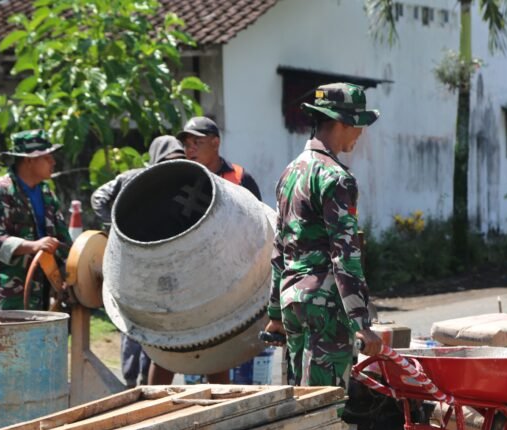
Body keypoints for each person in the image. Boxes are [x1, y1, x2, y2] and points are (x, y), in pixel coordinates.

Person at [263, 83, 383, 388]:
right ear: (342, 123)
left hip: (292, 301)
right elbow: (345, 253)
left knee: (301, 400)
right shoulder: (337, 178)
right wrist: (361, 322)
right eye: (359, 124)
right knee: (325, 403)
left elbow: (279, 247)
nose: (360, 133)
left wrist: (275, 313)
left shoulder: (290, 173)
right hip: (325, 306)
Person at [146, 116, 263, 385]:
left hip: (225, 280)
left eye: (197, 142)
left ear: (215, 143)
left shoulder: (240, 178)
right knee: (168, 346)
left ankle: (220, 406)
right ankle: (149, 402)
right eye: (186, 144)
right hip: (181, 278)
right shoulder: (178, 178)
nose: (190, 149)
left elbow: (258, 225)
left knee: (215, 346)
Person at [90, 135, 186, 388]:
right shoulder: (132, 178)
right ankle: (131, 380)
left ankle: (146, 378)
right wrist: (115, 226)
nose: (172, 165)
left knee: (157, 324)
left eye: (178, 160)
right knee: (133, 322)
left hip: (162, 267)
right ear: (156, 159)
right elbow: (98, 198)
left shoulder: (179, 185)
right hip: (132, 265)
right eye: (167, 160)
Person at [0, 129, 72, 311]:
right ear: (29, 160)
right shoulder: (0, 192)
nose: (53, 162)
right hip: (5, 293)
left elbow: (62, 239)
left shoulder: (46, 193)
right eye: (47, 157)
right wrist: (33, 246)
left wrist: (70, 270)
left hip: (41, 289)